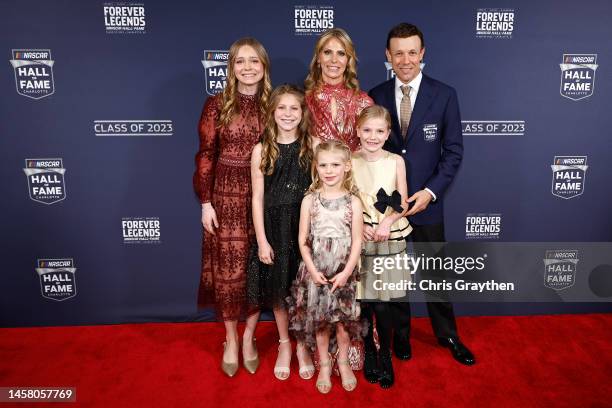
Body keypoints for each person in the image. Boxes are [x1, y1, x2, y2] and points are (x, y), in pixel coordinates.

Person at [368, 23, 476, 365]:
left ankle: (447, 334)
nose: (405, 59)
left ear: (422, 53)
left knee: (435, 272)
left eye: (412, 52)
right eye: (398, 52)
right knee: (395, 275)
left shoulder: (445, 95)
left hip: (426, 203)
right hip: (387, 208)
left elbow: (454, 150)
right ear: (388, 55)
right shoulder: (375, 95)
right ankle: (400, 335)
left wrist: (430, 191)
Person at [193, 37, 272, 377]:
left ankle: (250, 336)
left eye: (254, 61)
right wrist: (206, 202)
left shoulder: (276, 104)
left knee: (255, 270)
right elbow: (206, 154)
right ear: (231, 67)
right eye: (240, 61)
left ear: (263, 66)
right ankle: (230, 338)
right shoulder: (217, 104)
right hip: (225, 195)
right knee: (228, 272)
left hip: (262, 196)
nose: (248, 67)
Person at [246, 84, 317, 380]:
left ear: (303, 113)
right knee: (278, 292)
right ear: (272, 112)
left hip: (303, 229)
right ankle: (284, 343)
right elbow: (257, 198)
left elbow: (319, 190)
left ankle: (302, 344)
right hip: (274, 230)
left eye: (294, 108)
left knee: (301, 293)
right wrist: (262, 240)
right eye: (282, 108)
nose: (288, 114)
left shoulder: (313, 145)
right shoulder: (262, 149)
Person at [287, 140, 365, 393]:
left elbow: (357, 241)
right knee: (321, 322)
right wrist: (310, 268)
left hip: (344, 271)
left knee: (343, 323)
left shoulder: (353, 201)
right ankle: (323, 364)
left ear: (346, 167)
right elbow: (302, 240)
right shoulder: (310, 200)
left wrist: (346, 272)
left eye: (335, 164)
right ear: (315, 167)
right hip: (316, 270)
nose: (329, 170)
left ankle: (342, 362)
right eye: (323, 165)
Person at [352, 105, 412, 388]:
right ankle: (370, 354)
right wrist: (360, 226)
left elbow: (404, 200)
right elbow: (345, 200)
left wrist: (388, 222)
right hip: (361, 237)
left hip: (391, 236)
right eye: (367, 130)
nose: (372, 136)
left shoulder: (396, 161)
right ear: (357, 131)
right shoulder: (350, 160)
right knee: (364, 302)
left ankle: (385, 354)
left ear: (388, 134)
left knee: (385, 304)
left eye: (379, 131)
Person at [304, 28, 373, 152]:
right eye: (327, 52)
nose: (334, 60)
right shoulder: (304, 101)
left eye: (341, 53)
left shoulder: (364, 102)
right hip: (313, 170)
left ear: (348, 60)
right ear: (319, 58)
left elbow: (370, 149)